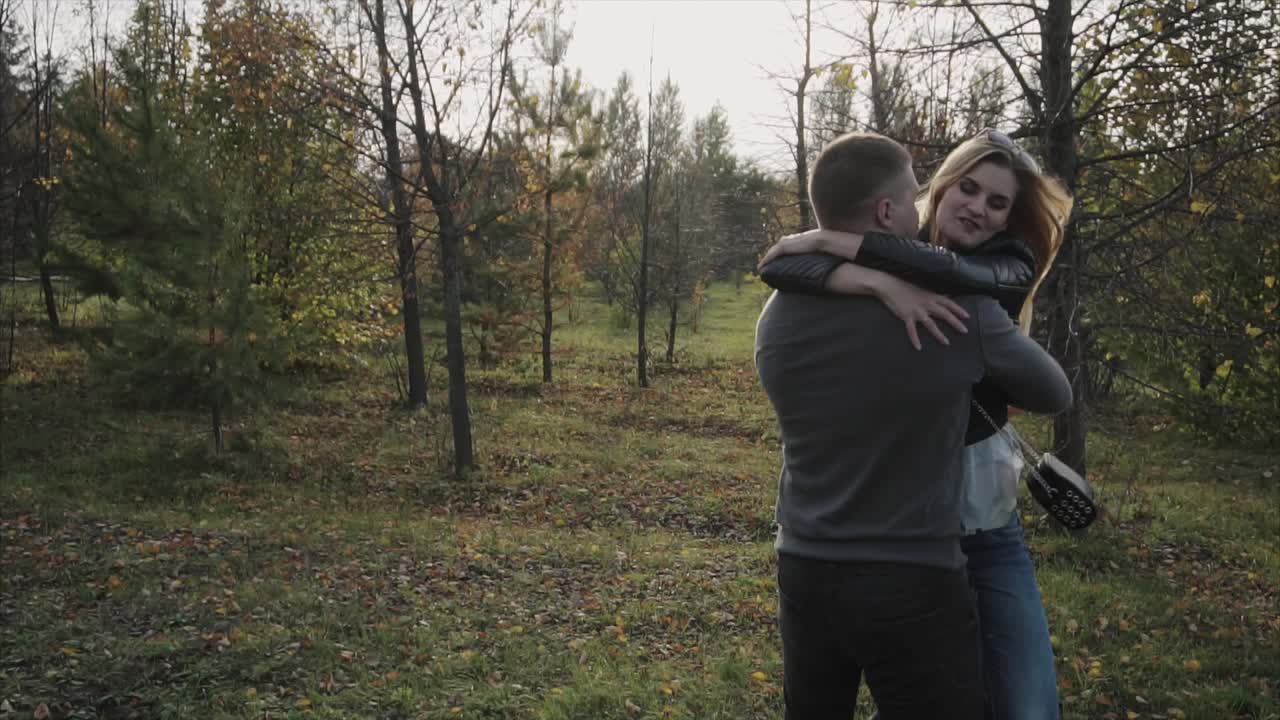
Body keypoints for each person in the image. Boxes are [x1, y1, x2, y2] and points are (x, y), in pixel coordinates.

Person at [754, 130, 1072, 719]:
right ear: (933, 192)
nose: (977, 206)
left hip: (963, 522)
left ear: (1008, 220)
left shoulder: (1002, 268)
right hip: (912, 550)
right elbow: (780, 266)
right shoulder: (949, 306)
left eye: (997, 202)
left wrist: (833, 243)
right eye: (967, 189)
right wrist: (877, 280)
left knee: (1021, 703)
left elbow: (788, 271)